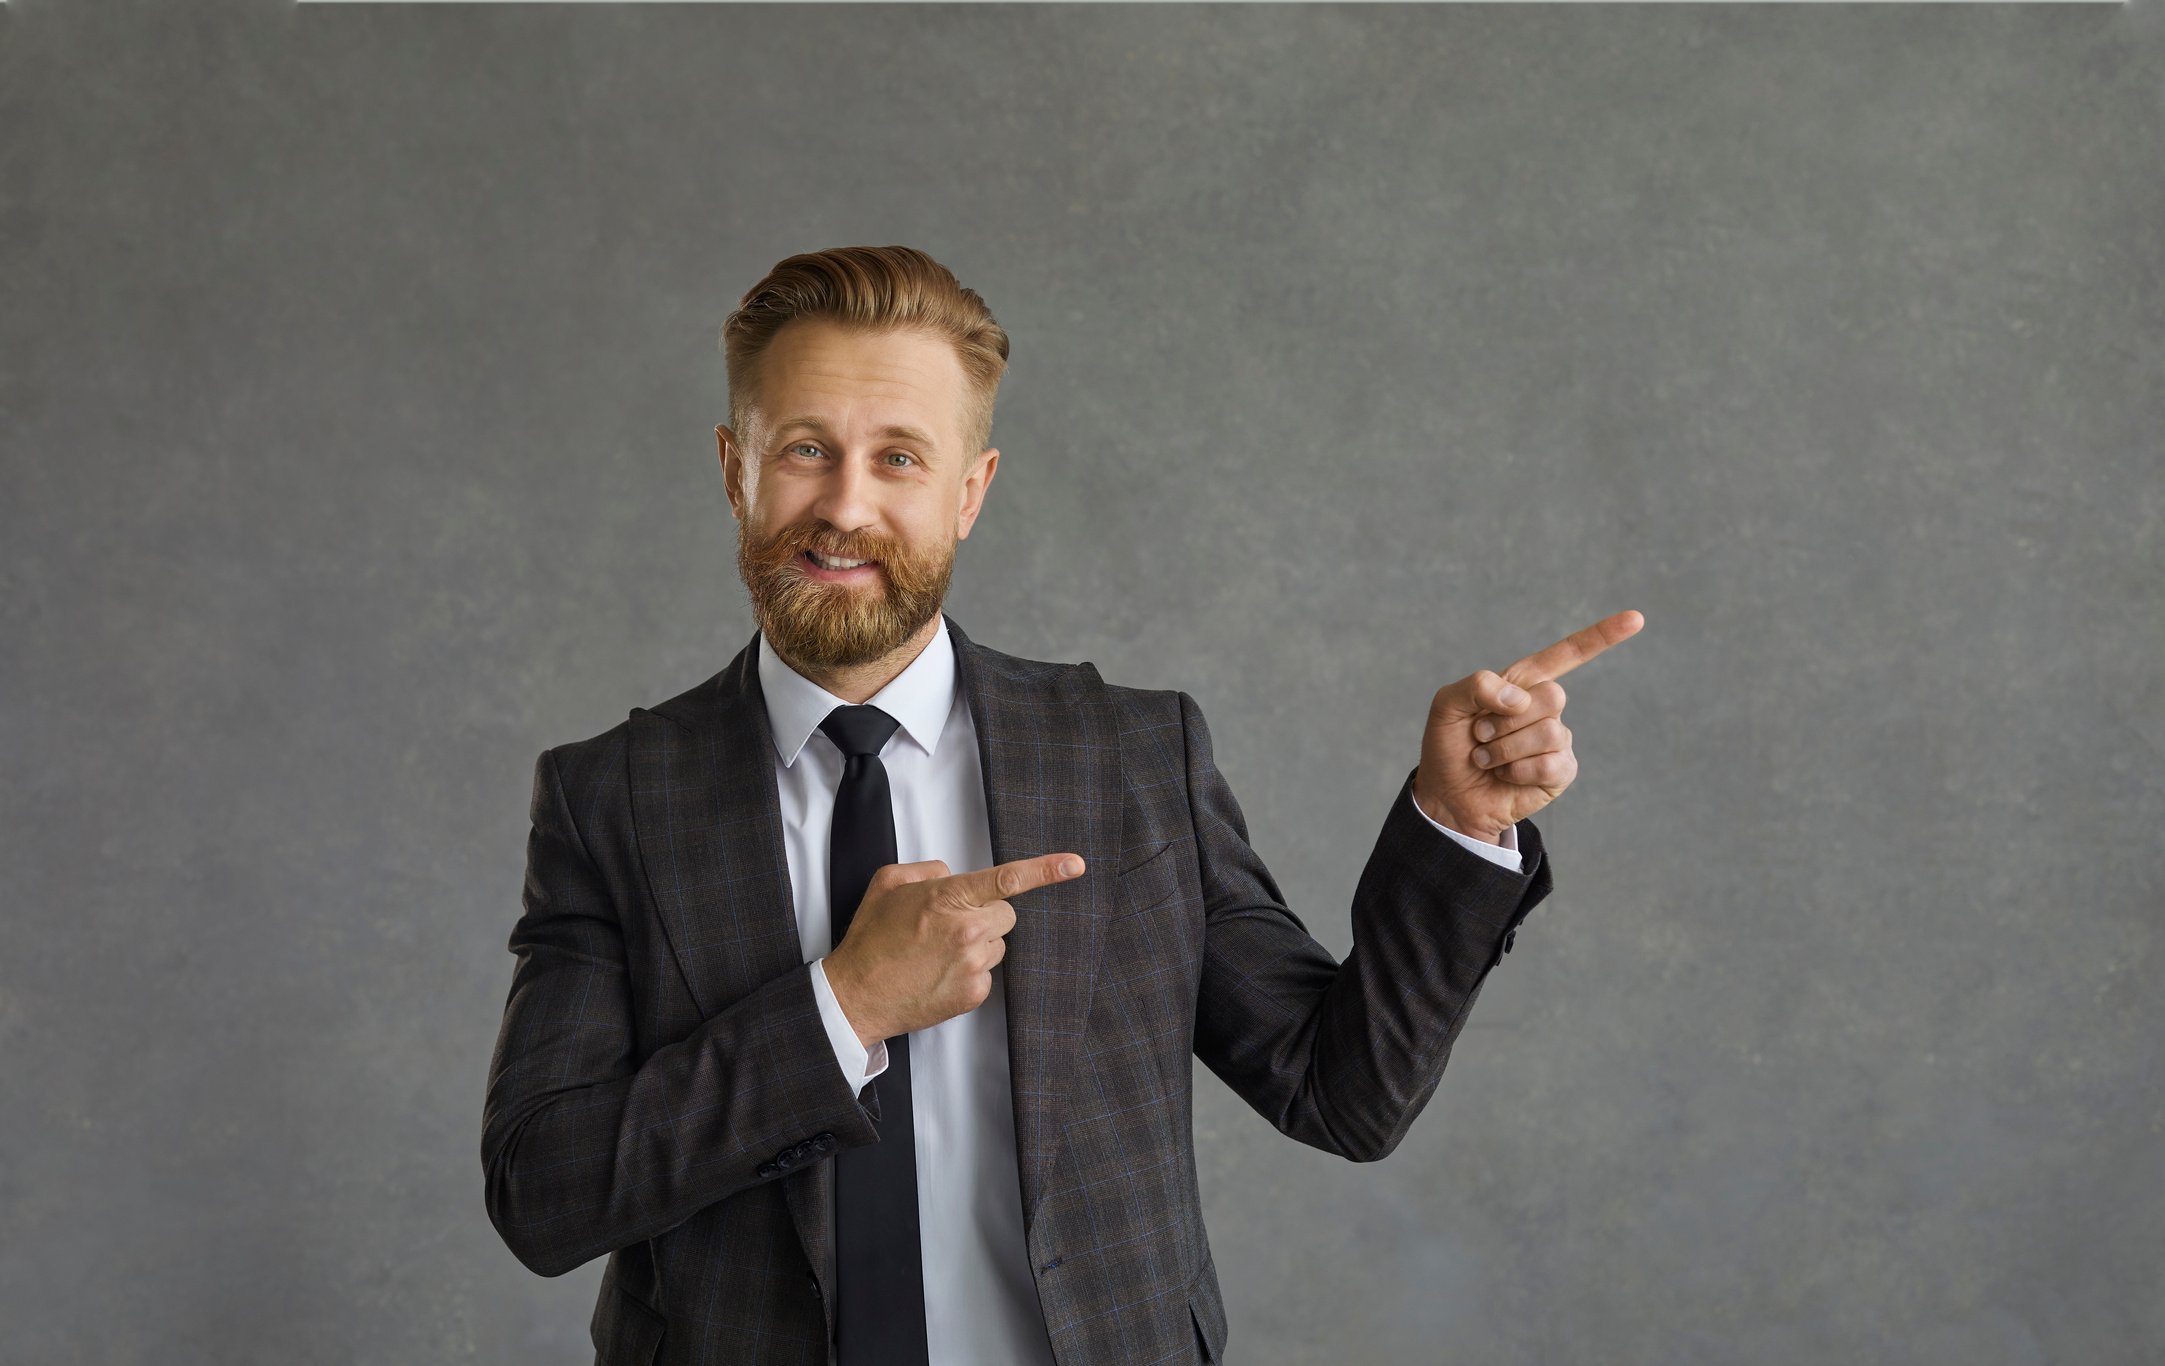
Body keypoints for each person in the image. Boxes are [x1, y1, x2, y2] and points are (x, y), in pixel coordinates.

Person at [481, 245, 1642, 1366]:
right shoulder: (611, 798)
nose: (843, 506)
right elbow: (545, 1190)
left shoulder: (1127, 757)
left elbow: (1337, 1091)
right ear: (733, 467)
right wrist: (845, 1004)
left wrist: (1456, 823)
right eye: (803, 449)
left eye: (898, 458)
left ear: (970, 491)